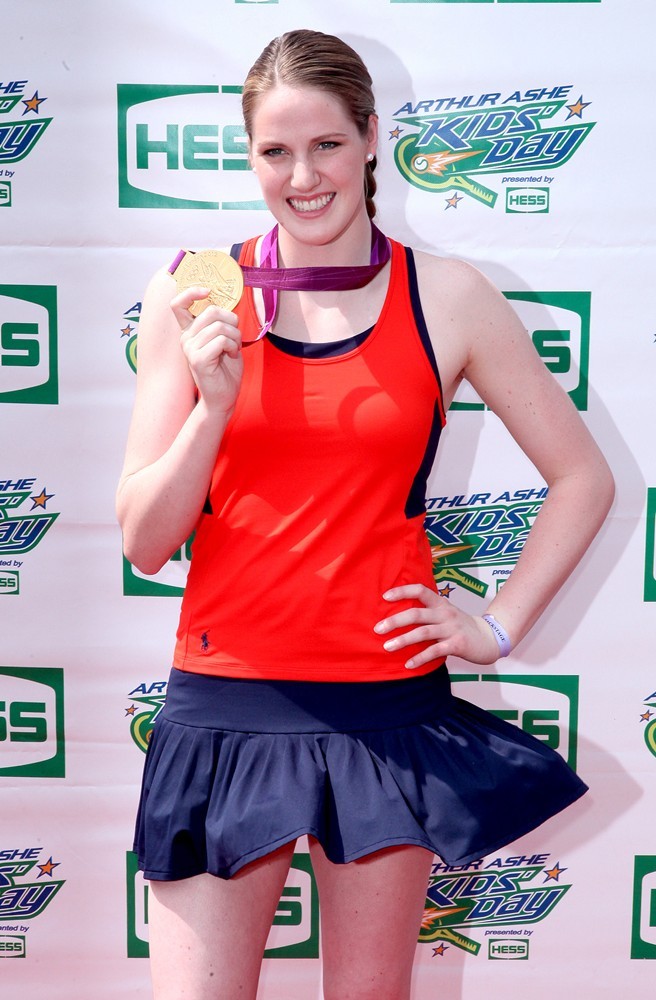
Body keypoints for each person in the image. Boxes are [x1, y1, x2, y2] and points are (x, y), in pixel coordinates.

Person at [116, 28, 614, 1000]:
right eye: (275, 151)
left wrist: (495, 625)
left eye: (327, 145)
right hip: (225, 704)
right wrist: (213, 409)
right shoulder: (191, 296)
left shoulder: (449, 295)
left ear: (373, 137)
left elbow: (581, 478)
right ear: (248, 155)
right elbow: (144, 540)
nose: (303, 177)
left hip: (386, 709)